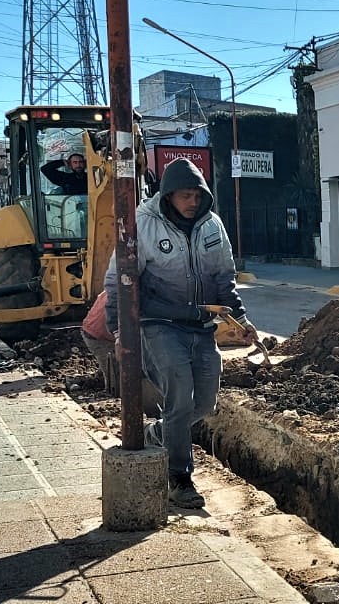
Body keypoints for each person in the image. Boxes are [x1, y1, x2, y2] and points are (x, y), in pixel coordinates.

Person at [105, 157, 248, 509]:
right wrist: (118, 327)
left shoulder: (212, 226)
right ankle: (179, 478)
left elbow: (223, 277)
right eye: (185, 196)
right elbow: (117, 280)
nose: (192, 202)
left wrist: (241, 320)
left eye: (197, 196)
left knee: (203, 402)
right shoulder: (142, 224)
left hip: (200, 325)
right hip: (159, 324)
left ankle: (158, 434)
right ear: (169, 195)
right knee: (180, 394)